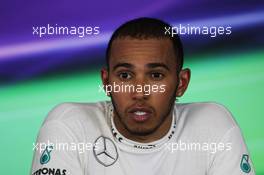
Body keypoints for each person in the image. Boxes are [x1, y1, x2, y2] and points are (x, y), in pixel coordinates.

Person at [31, 17, 255, 175]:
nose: (139, 92)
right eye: (125, 75)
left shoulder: (214, 126)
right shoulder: (68, 126)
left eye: (156, 75)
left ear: (181, 83)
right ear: (107, 83)